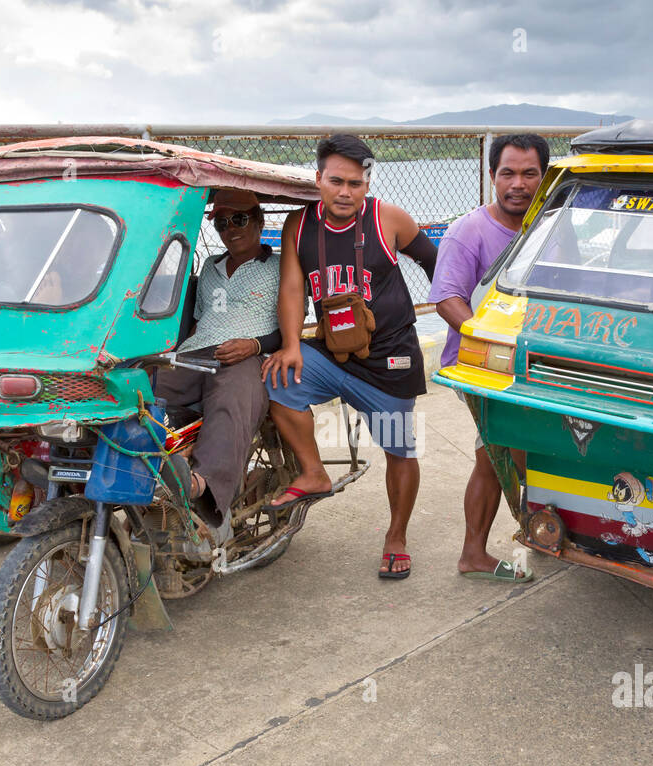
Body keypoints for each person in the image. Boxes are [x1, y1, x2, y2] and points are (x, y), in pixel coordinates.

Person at [261, 134, 438, 579]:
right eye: (336, 181)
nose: (345, 192)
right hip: (334, 353)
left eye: (356, 183)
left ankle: (396, 536)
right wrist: (288, 344)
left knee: (400, 448)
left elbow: (436, 263)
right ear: (318, 179)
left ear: (366, 183)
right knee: (277, 379)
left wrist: (452, 315)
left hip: (390, 361)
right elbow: (292, 289)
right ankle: (314, 471)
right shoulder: (298, 225)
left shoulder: (388, 219)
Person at [430, 133, 548, 583]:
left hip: (537, 365)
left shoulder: (551, 229)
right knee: (503, 452)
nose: (518, 184)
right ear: (492, 177)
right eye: (508, 173)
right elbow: (446, 299)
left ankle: (536, 534)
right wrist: (495, 345)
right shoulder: (469, 231)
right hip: (483, 369)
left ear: (545, 177)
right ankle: (485, 549)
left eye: (529, 174)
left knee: (509, 453)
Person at [153, 188, 281, 527]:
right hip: (197, 352)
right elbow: (198, 322)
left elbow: (292, 326)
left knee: (231, 399)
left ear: (258, 220)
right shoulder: (210, 267)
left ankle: (201, 485)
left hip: (248, 356)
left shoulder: (280, 266)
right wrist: (168, 357)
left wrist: (253, 345)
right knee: (139, 387)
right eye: (221, 224)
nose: (230, 229)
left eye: (238, 220)